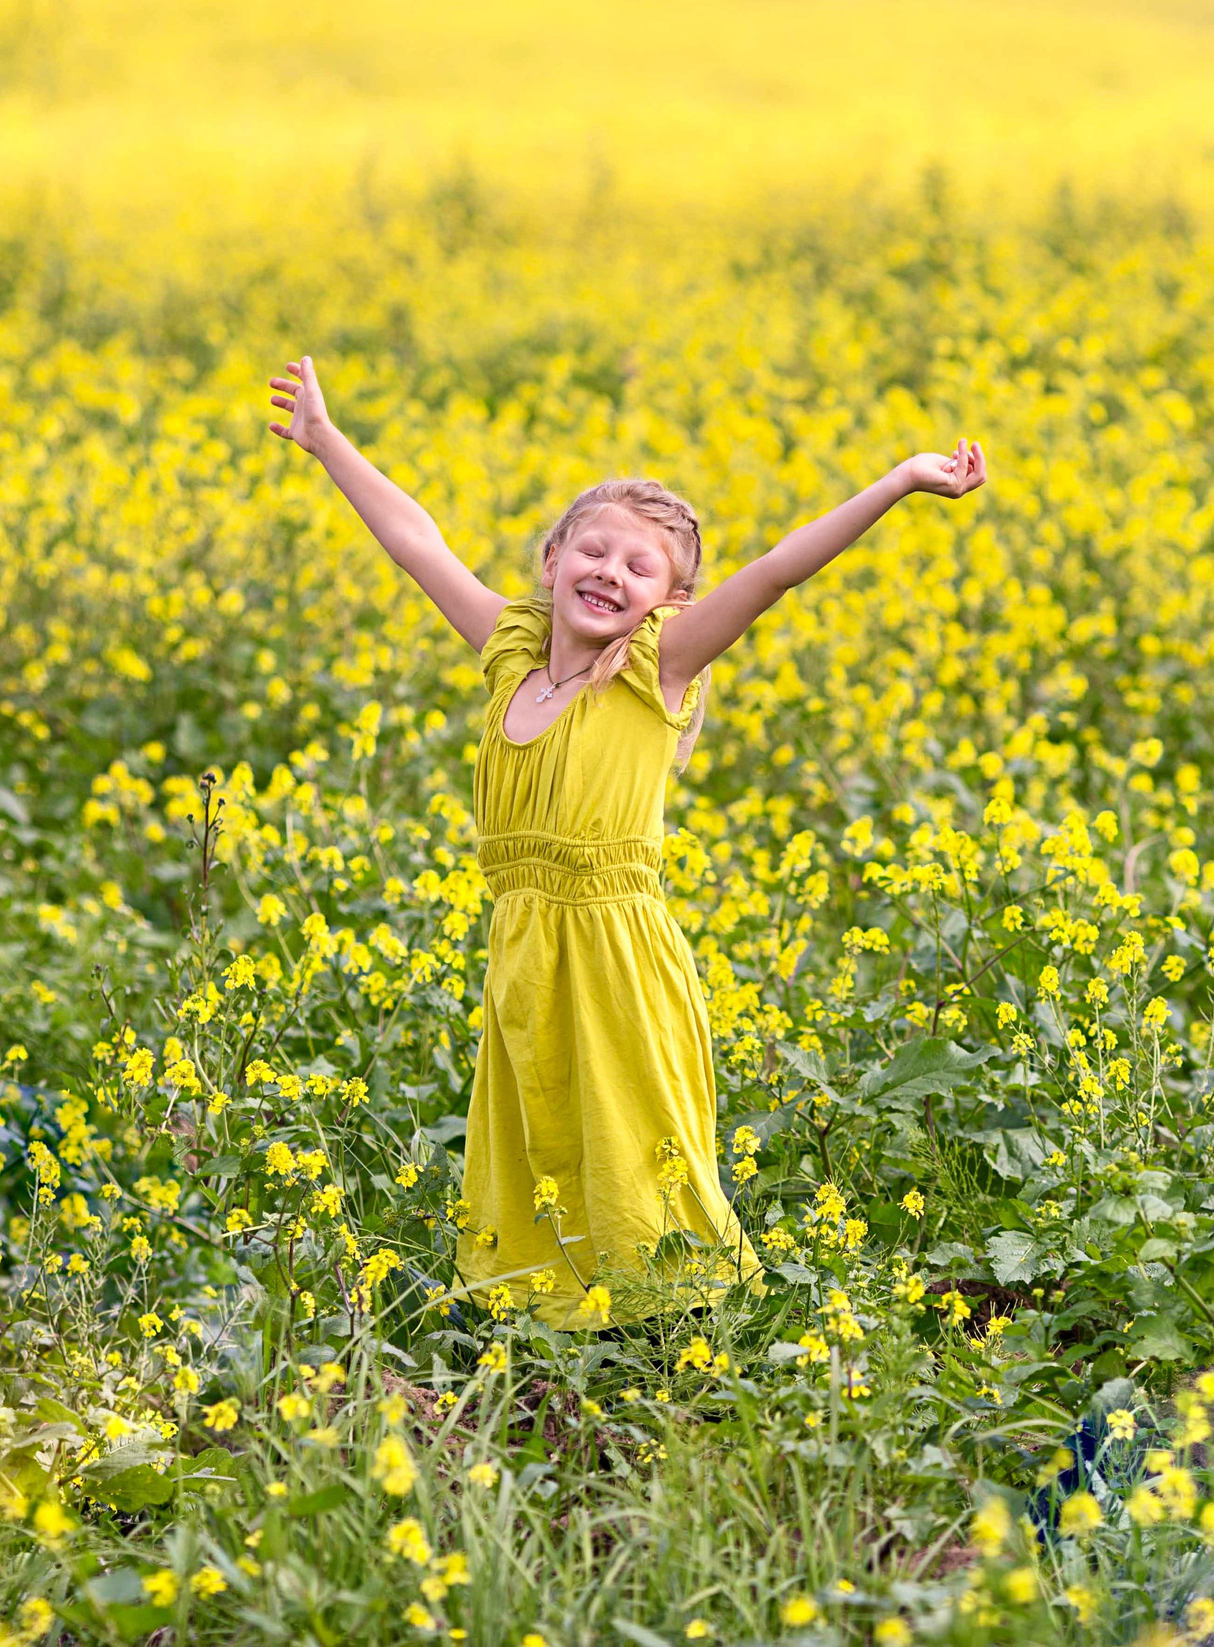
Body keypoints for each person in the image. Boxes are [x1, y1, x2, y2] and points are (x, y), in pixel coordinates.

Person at [267, 355, 988, 1327]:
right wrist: (324, 440)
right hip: (525, 951)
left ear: (669, 601)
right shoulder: (511, 651)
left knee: (635, 1151)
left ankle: (691, 1337)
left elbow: (776, 570)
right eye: (592, 549)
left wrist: (900, 483)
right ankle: (553, 1331)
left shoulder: (656, 668)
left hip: (617, 957)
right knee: (542, 1146)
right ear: (552, 560)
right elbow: (417, 542)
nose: (610, 570)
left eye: (639, 565)